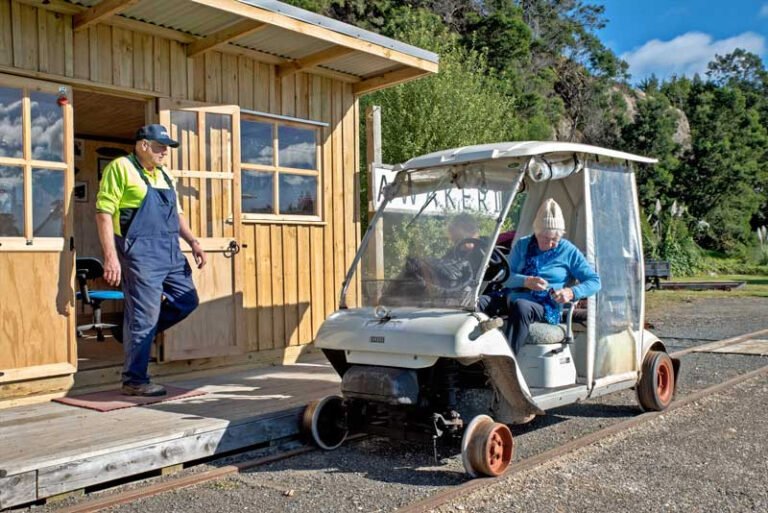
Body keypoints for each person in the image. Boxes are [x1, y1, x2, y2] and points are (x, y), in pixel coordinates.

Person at [95, 124, 206, 397]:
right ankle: (135, 380)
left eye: (167, 147)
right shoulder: (121, 168)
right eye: (160, 146)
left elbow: (177, 215)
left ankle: (131, 332)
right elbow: (103, 213)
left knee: (186, 300)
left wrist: (193, 241)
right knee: (144, 317)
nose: (165, 152)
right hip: (140, 253)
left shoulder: (165, 175)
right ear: (143, 145)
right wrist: (111, 257)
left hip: (170, 251)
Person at [489, 198, 600, 354]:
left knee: (522, 306)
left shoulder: (568, 250)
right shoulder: (523, 245)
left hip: (546, 305)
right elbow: (505, 276)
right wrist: (525, 281)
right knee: (481, 303)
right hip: (512, 297)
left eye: (555, 239)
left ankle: (507, 364)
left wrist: (571, 292)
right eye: (545, 239)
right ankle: (466, 362)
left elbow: (594, 282)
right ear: (536, 233)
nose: (550, 244)